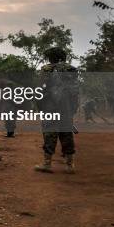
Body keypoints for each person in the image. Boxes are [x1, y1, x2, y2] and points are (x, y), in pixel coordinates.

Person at [35, 46, 78, 174]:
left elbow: (40, 89)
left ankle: (47, 164)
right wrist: (73, 108)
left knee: (49, 133)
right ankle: (70, 165)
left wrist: (40, 106)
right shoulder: (71, 69)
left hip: (50, 106)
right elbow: (75, 91)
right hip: (66, 106)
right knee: (66, 134)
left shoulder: (46, 70)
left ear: (52, 57)